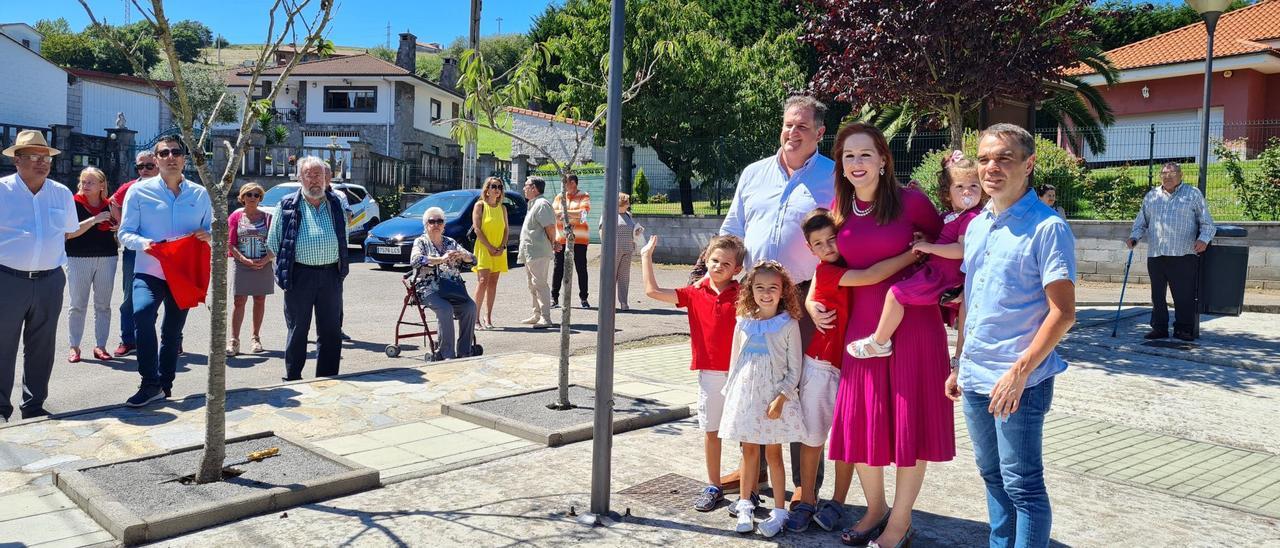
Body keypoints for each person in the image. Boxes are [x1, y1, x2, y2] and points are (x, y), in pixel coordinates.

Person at [809, 123, 952, 548]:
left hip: (914, 326)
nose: (857, 163)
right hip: (861, 329)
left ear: (884, 159)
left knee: (912, 423)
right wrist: (817, 299)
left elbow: (947, 245)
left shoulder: (912, 202)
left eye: (865, 154)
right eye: (848, 156)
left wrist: (924, 278)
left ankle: (900, 520)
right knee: (860, 420)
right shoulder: (839, 208)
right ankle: (875, 508)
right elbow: (827, 263)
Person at [950, 124, 1077, 548]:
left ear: (1029, 164)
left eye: (1004, 158)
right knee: (991, 476)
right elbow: (971, 298)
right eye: (984, 159)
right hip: (975, 375)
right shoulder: (977, 226)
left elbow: (1063, 313)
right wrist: (958, 362)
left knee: (1023, 486)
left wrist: (1020, 372)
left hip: (1019, 382)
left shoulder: (1047, 228)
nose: (991, 168)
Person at [720, 94, 835, 507]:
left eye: (802, 126)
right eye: (788, 124)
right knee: (753, 379)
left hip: (806, 293)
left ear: (819, 133)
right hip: (754, 295)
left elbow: (843, 242)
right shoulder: (754, 173)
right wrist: (712, 269)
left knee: (801, 383)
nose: (792, 132)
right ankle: (755, 469)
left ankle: (806, 484)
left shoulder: (833, 177)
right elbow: (733, 228)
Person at [787, 208, 918, 534]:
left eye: (832, 239)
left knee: (846, 441)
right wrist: (912, 254)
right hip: (821, 365)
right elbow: (872, 276)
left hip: (853, 366)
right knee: (813, 437)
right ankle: (807, 499)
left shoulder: (846, 263)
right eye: (819, 243)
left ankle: (838, 502)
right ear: (811, 248)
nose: (828, 247)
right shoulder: (828, 272)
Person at [641, 234, 745, 514]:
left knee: (746, 435)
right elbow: (652, 292)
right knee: (712, 432)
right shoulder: (695, 293)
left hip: (741, 374)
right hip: (710, 374)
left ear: (737, 269)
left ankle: (748, 494)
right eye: (714, 260)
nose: (719, 266)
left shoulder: (745, 294)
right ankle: (713, 485)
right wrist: (646, 257)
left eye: (726, 263)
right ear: (705, 261)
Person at [848, 151, 984, 359]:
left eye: (974, 186)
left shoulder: (971, 218)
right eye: (960, 186)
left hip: (943, 278)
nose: (967, 191)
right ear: (948, 193)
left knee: (895, 294)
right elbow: (940, 231)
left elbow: (961, 250)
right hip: (937, 273)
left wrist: (929, 248)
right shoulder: (952, 215)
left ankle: (879, 342)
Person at [117, 135, 213, 407]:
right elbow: (124, 233)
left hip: (182, 273)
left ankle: (164, 385)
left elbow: (213, 230)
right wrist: (144, 243)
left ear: (184, 158)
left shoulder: (200, 193)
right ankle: (149, 383)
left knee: (172, 331)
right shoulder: (138, 192)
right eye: (164, 153)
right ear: (156, 159)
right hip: (149, 270)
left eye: (176, 152)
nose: (171, 157)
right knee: (142, 314)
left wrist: (207, 235)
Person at [719, 260, 806, 537]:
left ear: (783, 292)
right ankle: (745, 503)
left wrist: (781, 398)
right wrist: (731, 393)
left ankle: (779, 510)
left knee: (774, 453)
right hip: (746, 397)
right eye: (759, 287)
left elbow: (795, 368)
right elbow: (736, 360)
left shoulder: (788, 324)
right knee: (749, 452)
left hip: (773, 401)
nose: (765, 293)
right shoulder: (742, 322)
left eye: (773, 288)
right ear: (750, 290)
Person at [0, 130, 79, 421]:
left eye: (45, 157)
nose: (41, 163)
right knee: (2, 346)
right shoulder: (1, 190)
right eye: (33, 157)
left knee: (42, 347)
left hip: (49, 279)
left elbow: (68, 231)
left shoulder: (61, 193)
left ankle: (33, 407)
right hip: (6, 279)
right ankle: (0, 409)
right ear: (16, 161)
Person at [267, 156, 348, 380]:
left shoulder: (336, 204)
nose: (314, 180)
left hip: (331, 274)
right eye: (309, 175)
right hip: (299, 275)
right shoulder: (286, 205)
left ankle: (328, 377)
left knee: (331, 330)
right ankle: (292, 378)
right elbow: (273, 243)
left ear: (326, 177)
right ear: (300, 177)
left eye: (318, 175)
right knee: (298, 329)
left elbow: (344, 237)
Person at [1126, 162, 1215, 342]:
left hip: (1183, 253)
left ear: (1180, 175)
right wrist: (1134, 237)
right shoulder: (1152, 196)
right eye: (1164, 173)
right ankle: (1159, 328)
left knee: (1183, 295)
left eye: (1171, 173)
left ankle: (1183, 329)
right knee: (1157, 295)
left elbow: (1207, 223)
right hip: (1157, 254)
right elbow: (1141, 222)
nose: (1167, 176)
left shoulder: (1193, 194)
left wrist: (1204, 240)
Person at [64, 167, 118, 363]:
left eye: (90, 182)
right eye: (83, 182)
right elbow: (68, 233)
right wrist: (94, 220)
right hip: (78, 258)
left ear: (101, 185)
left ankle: (100, 346)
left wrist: (117, 226)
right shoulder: (73, 204)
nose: (85, 186)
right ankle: (74, 346)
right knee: (77, 305)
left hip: (107, 257)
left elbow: (122, 228)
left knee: (103, 305)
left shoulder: (111, 205)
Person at [108, 151, 158, 357]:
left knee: (170, 296)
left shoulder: (167, 187)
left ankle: (173, 339)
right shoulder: (130, 187)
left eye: (149, 166)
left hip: (162, 250)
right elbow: (113, 202)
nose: (144, 170)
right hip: (134, 250)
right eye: (140, 166)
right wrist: (120, 225)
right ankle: (128, 340)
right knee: (129, 296)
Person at [411, 206, 478, 359]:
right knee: (445, 309)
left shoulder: (450, 242)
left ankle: (465, 352)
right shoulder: (421, 242)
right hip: (428, 289)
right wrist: (439, 260)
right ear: (426, 225)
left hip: (451, 288)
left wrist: (461, 255)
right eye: (432, 221)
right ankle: (446, 353)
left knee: (470, 308)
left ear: (444, 225)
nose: (436, 225)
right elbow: (415, 260)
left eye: (439, 221)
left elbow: (473, 259)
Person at [227, 182, 275, 356]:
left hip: (263, 263)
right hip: (242, 264)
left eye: (257, 195)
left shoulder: (268, 218)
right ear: (242, 197)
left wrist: (266, 258)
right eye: (249, 194)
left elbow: (275, 241)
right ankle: (234, 340)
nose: (253, 198)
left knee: (260, 300)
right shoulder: (235, 217)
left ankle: (255, 338)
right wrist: (243, 259)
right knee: (239, 301)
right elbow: (231, 244)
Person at [518, 176, 556, 329]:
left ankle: (546, 317)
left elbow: (550, 228)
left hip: (538, 251)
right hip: (531, 252)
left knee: (539, 284)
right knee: (532, 284)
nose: (524, 188)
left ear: (534, 188)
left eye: (526, 185)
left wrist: (552, 243)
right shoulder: (533, 204)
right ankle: (537, 314)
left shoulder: (542, 204)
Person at [471, 176, 509, 329]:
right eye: (493, 186)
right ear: (487, 189)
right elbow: (477, 229)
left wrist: (502, 247)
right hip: (484, 248)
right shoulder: (480, 205)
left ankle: (488, 318)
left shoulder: (503, 208)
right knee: (482, 282)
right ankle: (475, 319)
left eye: (499, 187)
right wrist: (490, 247)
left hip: (499, 249)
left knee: (493, 284)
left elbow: (506, 229)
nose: (497, 190)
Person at [552, 173, 591, 309]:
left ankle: (584, 298)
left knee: (581, 268)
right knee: (558, 268)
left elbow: (584, 215)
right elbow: (553, 214)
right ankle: (554, 298)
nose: (562, 186)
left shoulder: (584, 195)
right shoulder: (559, 197)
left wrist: (564, 213)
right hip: (561, 239)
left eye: (565, 183)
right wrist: (573, 214)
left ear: (573, 183)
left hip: (579, 239)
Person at [600, 192, 642, 311]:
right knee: (611, 276)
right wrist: (606, 247)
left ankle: (624, 302)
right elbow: (602, 231)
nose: (628, 204)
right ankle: (607, 302)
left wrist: (637, 231)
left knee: (624, 277)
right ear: (620, 203)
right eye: (626, 202)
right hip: (614, 250)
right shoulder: (609, 214)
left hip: (627, 249)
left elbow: (632, 229)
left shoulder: (628, 215)